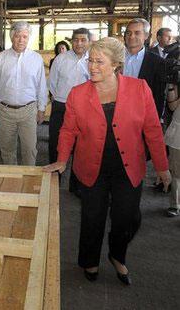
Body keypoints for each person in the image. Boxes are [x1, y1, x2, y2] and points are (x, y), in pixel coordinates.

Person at [44, 37, 170, 285]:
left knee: (127, 218)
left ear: (116, 64)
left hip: (128, 167)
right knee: (92, 218)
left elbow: (153, 130)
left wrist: (162, 166)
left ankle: (116, 254)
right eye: (90, 60)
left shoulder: (139, 88)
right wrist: (61, 160)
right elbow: (68, 130)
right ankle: (89, 260)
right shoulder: (78, 94)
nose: (92, 66)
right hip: (92, 167)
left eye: (99, 62)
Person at [0, 21, 47, 166]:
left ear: (28, 38)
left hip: (29, 111)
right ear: (12, 37)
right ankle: (11, 182)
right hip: (5, 111)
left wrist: (41, 108)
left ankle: (29, 180)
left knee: (30, 149)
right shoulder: (1, 58)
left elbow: (41, 86)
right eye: (18, 36)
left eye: (25, 37)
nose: (21, 40)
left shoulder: (36, 58)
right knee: (7, 149)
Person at [48, 28, 90, 165]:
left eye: (83, 40)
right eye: (76, 40)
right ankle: (54, 178)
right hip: (61, 106)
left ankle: (77, 183)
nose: (79, 43)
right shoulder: (61, 59)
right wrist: (59, 99)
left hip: (85, 109)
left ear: (89, 42)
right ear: (71, 42)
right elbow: (52, 83)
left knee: (82, 147)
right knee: (57, 143)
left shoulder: (94, 59)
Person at [124, 18, 166, 119]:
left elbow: (158, 96)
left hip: (142, 115)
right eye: (128, 33)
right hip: (115, 113)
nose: (131, 36)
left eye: (137, 33)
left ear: (146, 36)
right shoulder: (114, 58)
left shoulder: (157, 62)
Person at [165, 85, 180, 216]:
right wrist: (171, 87)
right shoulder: (177, 83)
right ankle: (175, 204)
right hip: (178, 137)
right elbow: (172, 107)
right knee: (176, 172)